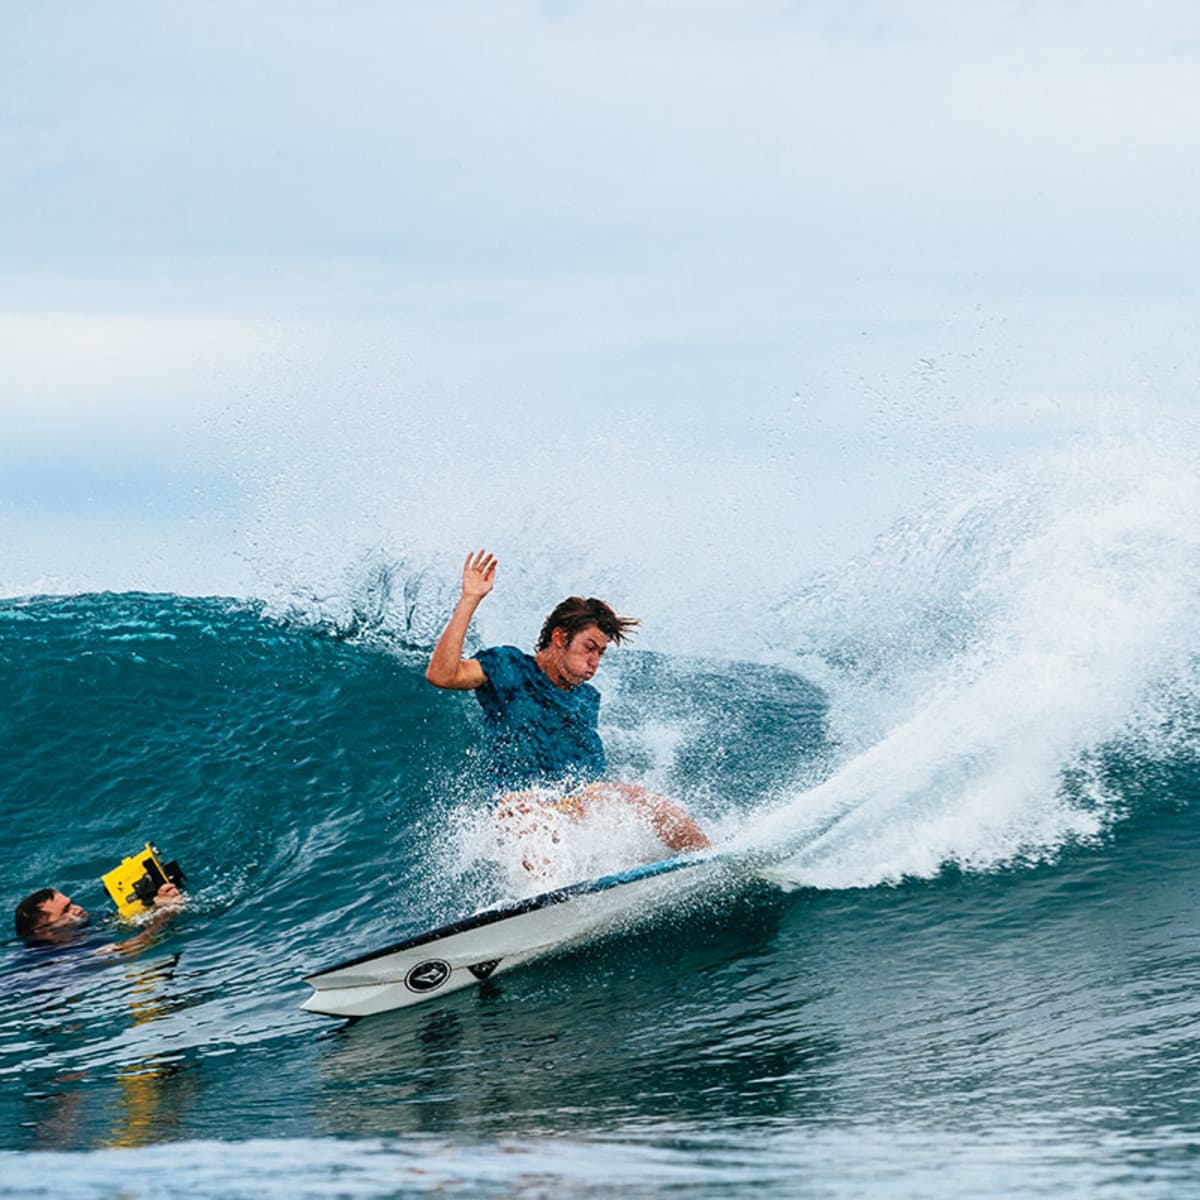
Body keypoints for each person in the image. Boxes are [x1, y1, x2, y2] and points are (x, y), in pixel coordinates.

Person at [426, 549, 710, 857]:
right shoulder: (507, 666)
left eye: (600, 653)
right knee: (527, 812)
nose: (594, 661)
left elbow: (588, 776)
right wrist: (470, 599)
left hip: (577, 803)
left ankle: (708, 858)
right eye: (589, 648)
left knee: (639, 798)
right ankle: (551, 898)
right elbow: (442, 674)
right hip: (519, 805)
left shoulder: (587, 698)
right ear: (560, 638)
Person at [14, 882, 182, 945]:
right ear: (44, 932)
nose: (77, 908)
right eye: (66, 910)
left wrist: (155, 904)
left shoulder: (91, 920)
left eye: (71, 903)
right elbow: (133, 948)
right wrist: (165, 914)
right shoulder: (59, 960)